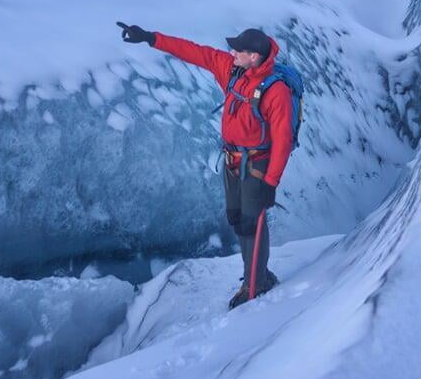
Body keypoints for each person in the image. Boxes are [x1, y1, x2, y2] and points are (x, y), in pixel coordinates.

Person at [117, 21, 295, 308]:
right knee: (239, 220)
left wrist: (270, 183)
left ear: (254, 56)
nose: (232, 52)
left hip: (257, 166)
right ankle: (257, 274)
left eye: (238, 50)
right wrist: (151, 38)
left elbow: (283, 140)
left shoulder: (276, 92)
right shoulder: (233, 70)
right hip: (232, 161)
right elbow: (194, 52)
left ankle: (255, 284)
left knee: (253, 223)